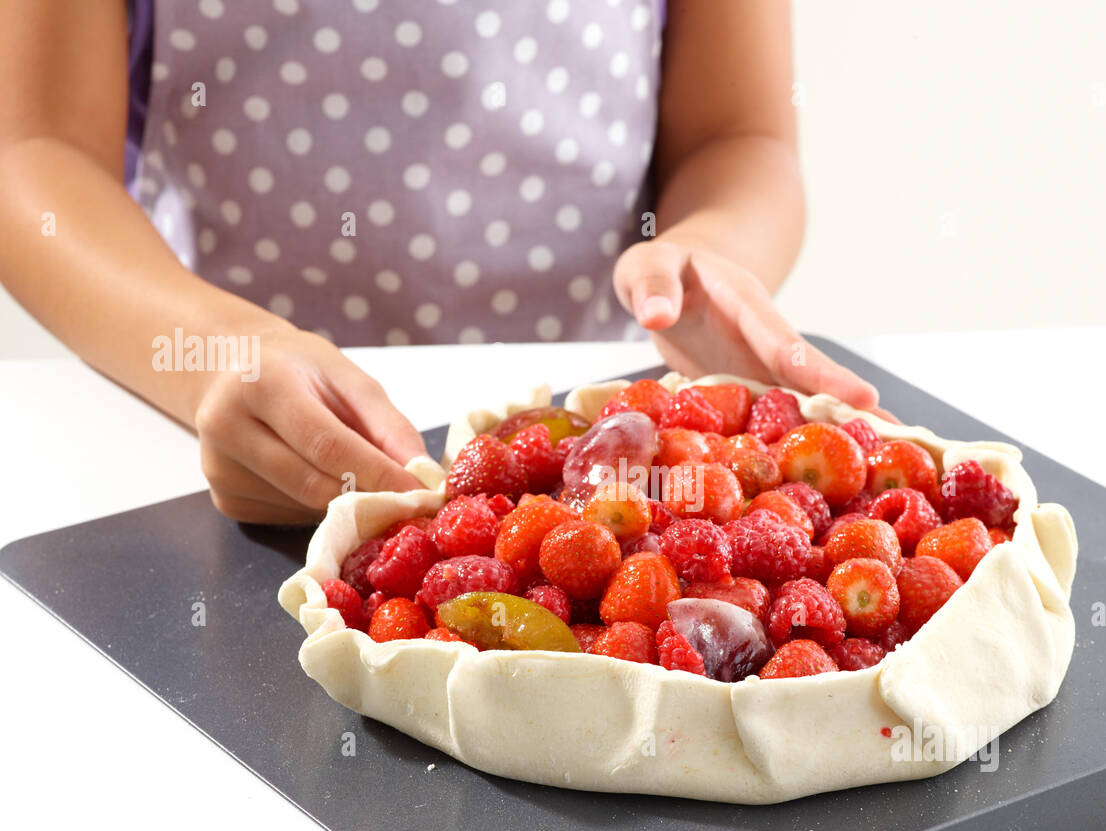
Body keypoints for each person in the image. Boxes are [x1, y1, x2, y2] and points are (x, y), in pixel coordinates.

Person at [0, 0, 884, 523]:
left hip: (601, 455)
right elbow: (33, 150)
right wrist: (207, 354)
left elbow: (742, 136)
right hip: (227, 450)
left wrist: (711, 249)